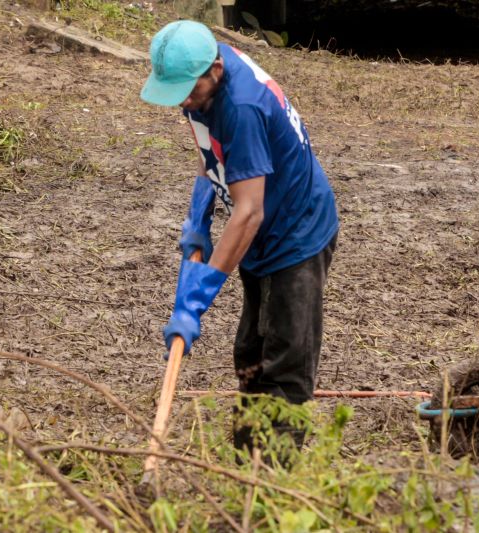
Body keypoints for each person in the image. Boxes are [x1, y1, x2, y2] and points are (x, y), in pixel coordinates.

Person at [141, 20, 339, 452]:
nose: (184, 102)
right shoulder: (202, 80)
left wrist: (198, 297)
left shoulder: (242, 107)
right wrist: (200, 213)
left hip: (295, 234)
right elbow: (209, 148)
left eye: (188, 91)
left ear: (214, 70)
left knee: (285, 365)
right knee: (251, 352)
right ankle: (247, 457)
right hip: (259, 232)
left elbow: (249, 213)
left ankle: (270, 484)